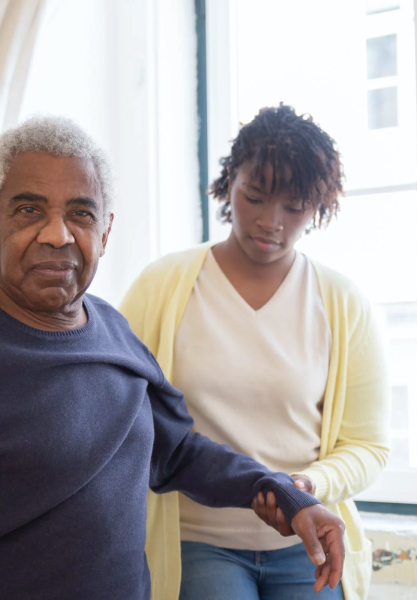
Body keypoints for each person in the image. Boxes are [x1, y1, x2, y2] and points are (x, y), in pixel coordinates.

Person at [0, 115, 346, 600]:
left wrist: (283, 493)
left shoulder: (113, 332)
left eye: (81, 214)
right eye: (29, 210)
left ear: (105, 232)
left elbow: (177, 452)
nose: (57, 234)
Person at [120, 104, 391, 600]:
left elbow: (368, 446)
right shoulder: (161, 287)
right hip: (197, 539)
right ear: (230, 183)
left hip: (308, 538)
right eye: (255, 197)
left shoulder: (343, 303)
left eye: (294, 208)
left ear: (320, 205)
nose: (271, 222)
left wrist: (306, 486)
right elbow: (122, 413)